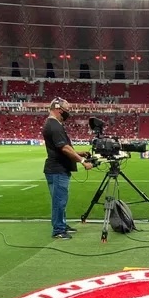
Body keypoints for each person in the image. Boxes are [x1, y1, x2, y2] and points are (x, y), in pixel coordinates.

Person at [42, 98, 93, 239]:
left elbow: (63, 147)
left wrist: (79, 153)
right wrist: (82, 161)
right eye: (67, 110)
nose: (68, 113)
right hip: (57, 169)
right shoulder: (54, 125)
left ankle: (62, 225)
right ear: (58, 109)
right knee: (59, 201)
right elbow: (64, 148)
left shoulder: (53, 124)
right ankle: (58, 230)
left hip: (57, 169)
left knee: (60, 200)